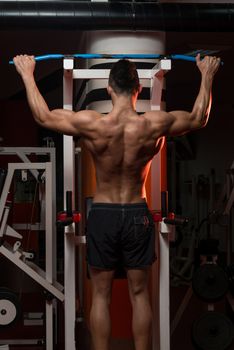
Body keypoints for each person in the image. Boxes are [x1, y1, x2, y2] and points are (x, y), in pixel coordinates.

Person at [13, 53, 220, 350]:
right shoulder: (153, 124)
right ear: (138, 90)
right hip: (137, 211)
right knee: (139, 294)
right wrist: (207, 73)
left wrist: (27, 73)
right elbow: (199, 117)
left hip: (104, 214)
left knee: (100, 294)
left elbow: (43, 116)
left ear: (109, 89)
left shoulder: (93, 124)